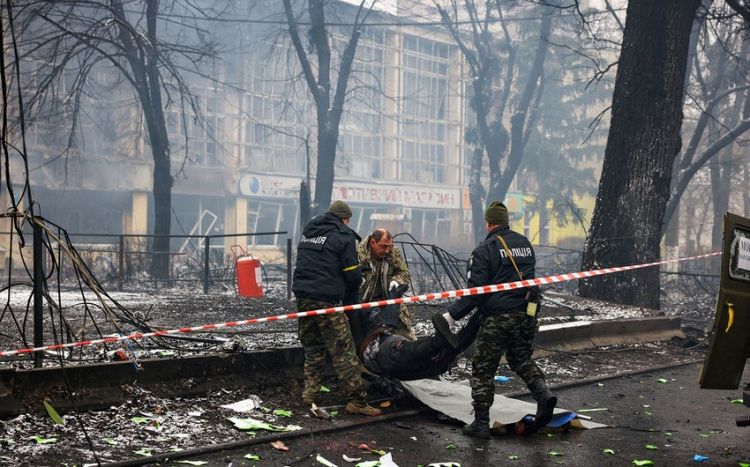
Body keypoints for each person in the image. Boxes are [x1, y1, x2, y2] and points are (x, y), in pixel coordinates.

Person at [432, 201, 556, 438]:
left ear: (488, 222)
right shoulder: (524, 244)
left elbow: (476, 293)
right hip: (526, 315)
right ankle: (543, 395)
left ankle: (480, 423)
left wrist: (451, 314)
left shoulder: (485, 249)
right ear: (506, 221)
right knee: (520, 359)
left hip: (497, 319)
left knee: (483, 370)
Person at [292, 200, 381, 416]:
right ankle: (357, 402)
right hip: (326, 300)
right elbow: (351, 273)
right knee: (343, 350)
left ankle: (310, 394)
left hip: (302, 296)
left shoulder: (310, 231)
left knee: (313, 347)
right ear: (345, 219)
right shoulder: (343, 235)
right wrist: (359, 278)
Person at [356, 300, 483, 381]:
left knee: (440, 362)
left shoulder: (387, 312)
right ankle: (438, 342)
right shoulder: (361, 320)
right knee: (406, 352)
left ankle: (477, 319)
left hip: (391, 355)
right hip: (378, 354)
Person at [356, 229, 415, 341]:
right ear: (373, 243)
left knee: (407, 335)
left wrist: (396, 280)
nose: (387, 250)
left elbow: (404, 273)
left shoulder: (393, 253)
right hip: (362, 302)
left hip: (387, 300)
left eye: (389, 246)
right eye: (383, 246)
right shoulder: (358, 254)